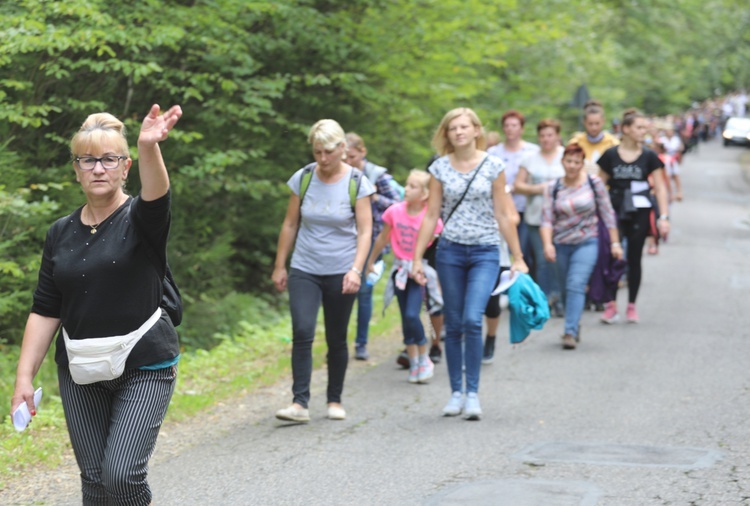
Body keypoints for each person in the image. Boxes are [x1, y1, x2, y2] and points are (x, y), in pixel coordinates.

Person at [10, 104, 183, 504]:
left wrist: (147, 146)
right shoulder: (60, 232)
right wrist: (23, 377)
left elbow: (158, 193)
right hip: (80, 368)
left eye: (109, 159)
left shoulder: (142, 218)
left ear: (125, 168)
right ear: (76, 169)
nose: (98, 169)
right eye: (88, 160)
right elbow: (46, 307)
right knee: (94, 481)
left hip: (144, 365)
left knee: (121, 476)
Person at [412, 107, 528, 421]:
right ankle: (455, 393)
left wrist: (517, 257)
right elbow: (431, 215)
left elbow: (504, 214)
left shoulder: (493, 165)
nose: (459, 132)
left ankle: (473, 393)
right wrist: (416, 258)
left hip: (485, 251)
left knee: (473, 319)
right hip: (450, 252)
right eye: (453, 128)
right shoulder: (439, 168)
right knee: (455, 323)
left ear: (476, 130)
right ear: (447, 134)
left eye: (464, 126)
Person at [272, 120, 374, 423]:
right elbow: (290, 223)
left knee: (336, 336)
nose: (323, 159)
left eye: (329, 152)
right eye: (318, 152)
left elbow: (366, 231)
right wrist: (280, 264)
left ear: (343, 148)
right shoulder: (303, 178)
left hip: (342, 270)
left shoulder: (357, 182)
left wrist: (356, 269)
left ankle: (334, 399)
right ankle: (299, 403)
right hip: (305, 267)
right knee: (302, 331)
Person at [541, 143, 621, 349]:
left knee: (576, 283)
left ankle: (569, 331)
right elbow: (547, 219)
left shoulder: (594, 184)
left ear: (583, 163)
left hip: (588, 240)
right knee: (566, 287)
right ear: (562, 162)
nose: (572, 166)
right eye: (569, 161)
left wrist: (615, 242)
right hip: (561, 242)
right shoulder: (553, 187)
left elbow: (607, 213)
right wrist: (547, 244)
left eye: (577, 162)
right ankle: (574, 320)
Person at [366, 170, 443, 383]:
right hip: (399, 271)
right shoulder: (394, 212)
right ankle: (414, 362)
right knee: (405, 319)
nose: (406, 189)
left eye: (412, 186)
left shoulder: (431, 218)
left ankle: (424, 356)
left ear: (426, 194)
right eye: (407, 185)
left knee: (412, 314)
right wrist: (371, 260)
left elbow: (436, 246)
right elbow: (383, 237)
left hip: (418, 272)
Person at [597, 108, 670, 323]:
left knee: (635, 259)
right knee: (612, 256)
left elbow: (660, 187)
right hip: (614, 211)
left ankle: (631, 305)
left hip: (639, 212)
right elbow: (599, 187)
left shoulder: (649, 156)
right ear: (626, 129)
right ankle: (610, 305)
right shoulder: (610, 155)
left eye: (644, 128)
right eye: (639, 127)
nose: (643, 132)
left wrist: (663, 217)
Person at [345, 132, 402, 361]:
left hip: (373, 240)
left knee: (364, 292)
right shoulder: (339, 174)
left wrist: (375, 198)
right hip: (345, 240)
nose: (348, 161)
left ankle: (361, 342)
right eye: (345, 156)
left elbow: (398, 205)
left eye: (352, 156)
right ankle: (339, 342)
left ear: (362, 152)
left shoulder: (377, 176)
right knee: (341, 292)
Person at [514, 118, 566, 317]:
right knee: (544, 259)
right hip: (536, 217)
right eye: (542, 135)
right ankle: (545, 298)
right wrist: (539, 188)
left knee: (560, 259)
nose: (546, 139)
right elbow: (518, 185)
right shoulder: (530, 159)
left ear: (557, 136)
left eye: (550, 135)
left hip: (562, 219)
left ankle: (561, 297)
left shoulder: (566, 155)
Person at [487, 110, 540, 264]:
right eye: (507, 125)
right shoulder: (493, 152)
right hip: (500, 210)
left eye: (514, 125)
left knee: (524, 251)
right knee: (503, 251)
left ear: (521, 128)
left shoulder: (532, 151)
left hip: (526, 208)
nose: (510, 129)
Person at [568, 100, 620, 175]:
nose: (594, 128)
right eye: (590, 124)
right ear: (584, 122)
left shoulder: (613, 143)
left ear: (603, 121)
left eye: (597, 123)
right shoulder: (575, 143)